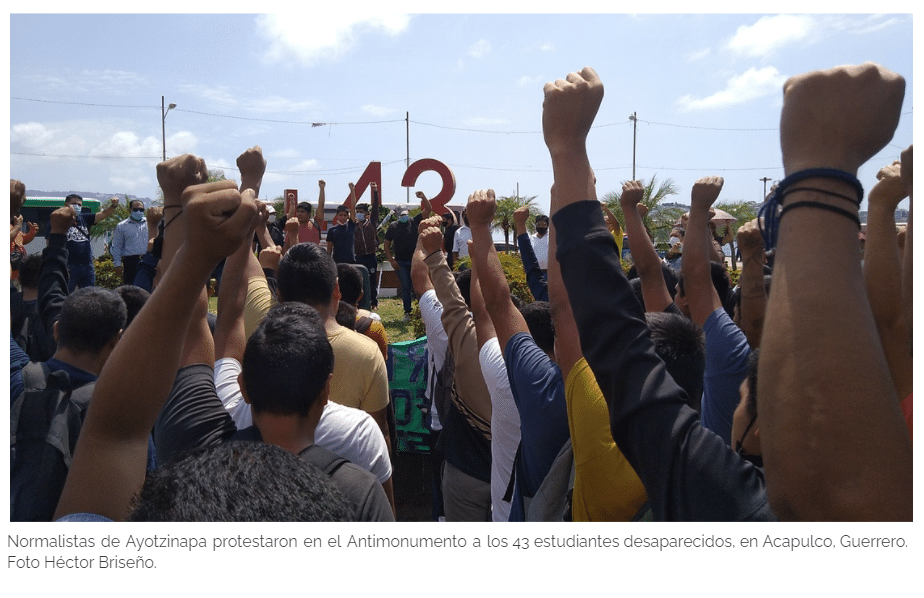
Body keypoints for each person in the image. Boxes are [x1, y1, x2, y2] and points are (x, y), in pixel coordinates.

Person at [384, 192, 431, 320]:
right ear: (397, 215)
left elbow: (428, 210)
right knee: (405, 288)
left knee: (419, 287)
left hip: (416, 261)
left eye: (404, 214)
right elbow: (386, 244)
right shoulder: (393, 227)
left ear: (408, 212)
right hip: (401, 263)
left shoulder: (414, 221)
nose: (403, 217)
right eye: (401, 215)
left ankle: (421, 312)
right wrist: (391, 260)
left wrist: (423, 197)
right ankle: (407, 312)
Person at [59, 194, 120, 291]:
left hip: (87, 265)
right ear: (66, 205)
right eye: (74, 203)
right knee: (66, 293)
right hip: (69, 265)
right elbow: (51, 243)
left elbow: (104, 214)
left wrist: (113, 206)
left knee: (89, 294)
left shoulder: (85, 218)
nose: (77, 206)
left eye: (79, 205)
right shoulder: (58, 220)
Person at [354, 181, 381, 309]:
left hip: (370, 256)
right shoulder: (353, 226)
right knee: (359, 280)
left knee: (371, 279)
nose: (358, 214)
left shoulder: (372, 223)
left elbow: (376, 207)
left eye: (361, 212)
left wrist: (375, 191)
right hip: (358, 257)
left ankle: (373, 302)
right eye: (357, 211)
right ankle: (359, 302)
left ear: (366, 214)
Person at [110, 199, 149, 285]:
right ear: (130, 210)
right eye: (136, 209)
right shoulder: (122, 226)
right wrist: (117, 264)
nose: (139, 212)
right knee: (131, 288)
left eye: (141, 209)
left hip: (147, 260)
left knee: (148, 287)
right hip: (131, 262)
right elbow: (117, 246)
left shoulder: (149, 223)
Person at [326, 183, 357, 264]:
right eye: (340, 215)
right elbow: (329, 248)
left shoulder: (351, 225)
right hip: (337, 262)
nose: (342, 217)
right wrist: (328, 263)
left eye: (344, 215)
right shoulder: (332, 230)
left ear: (348, 216)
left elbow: (353, 207)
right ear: (337, 216)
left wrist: (352, 190)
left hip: (351, 262)